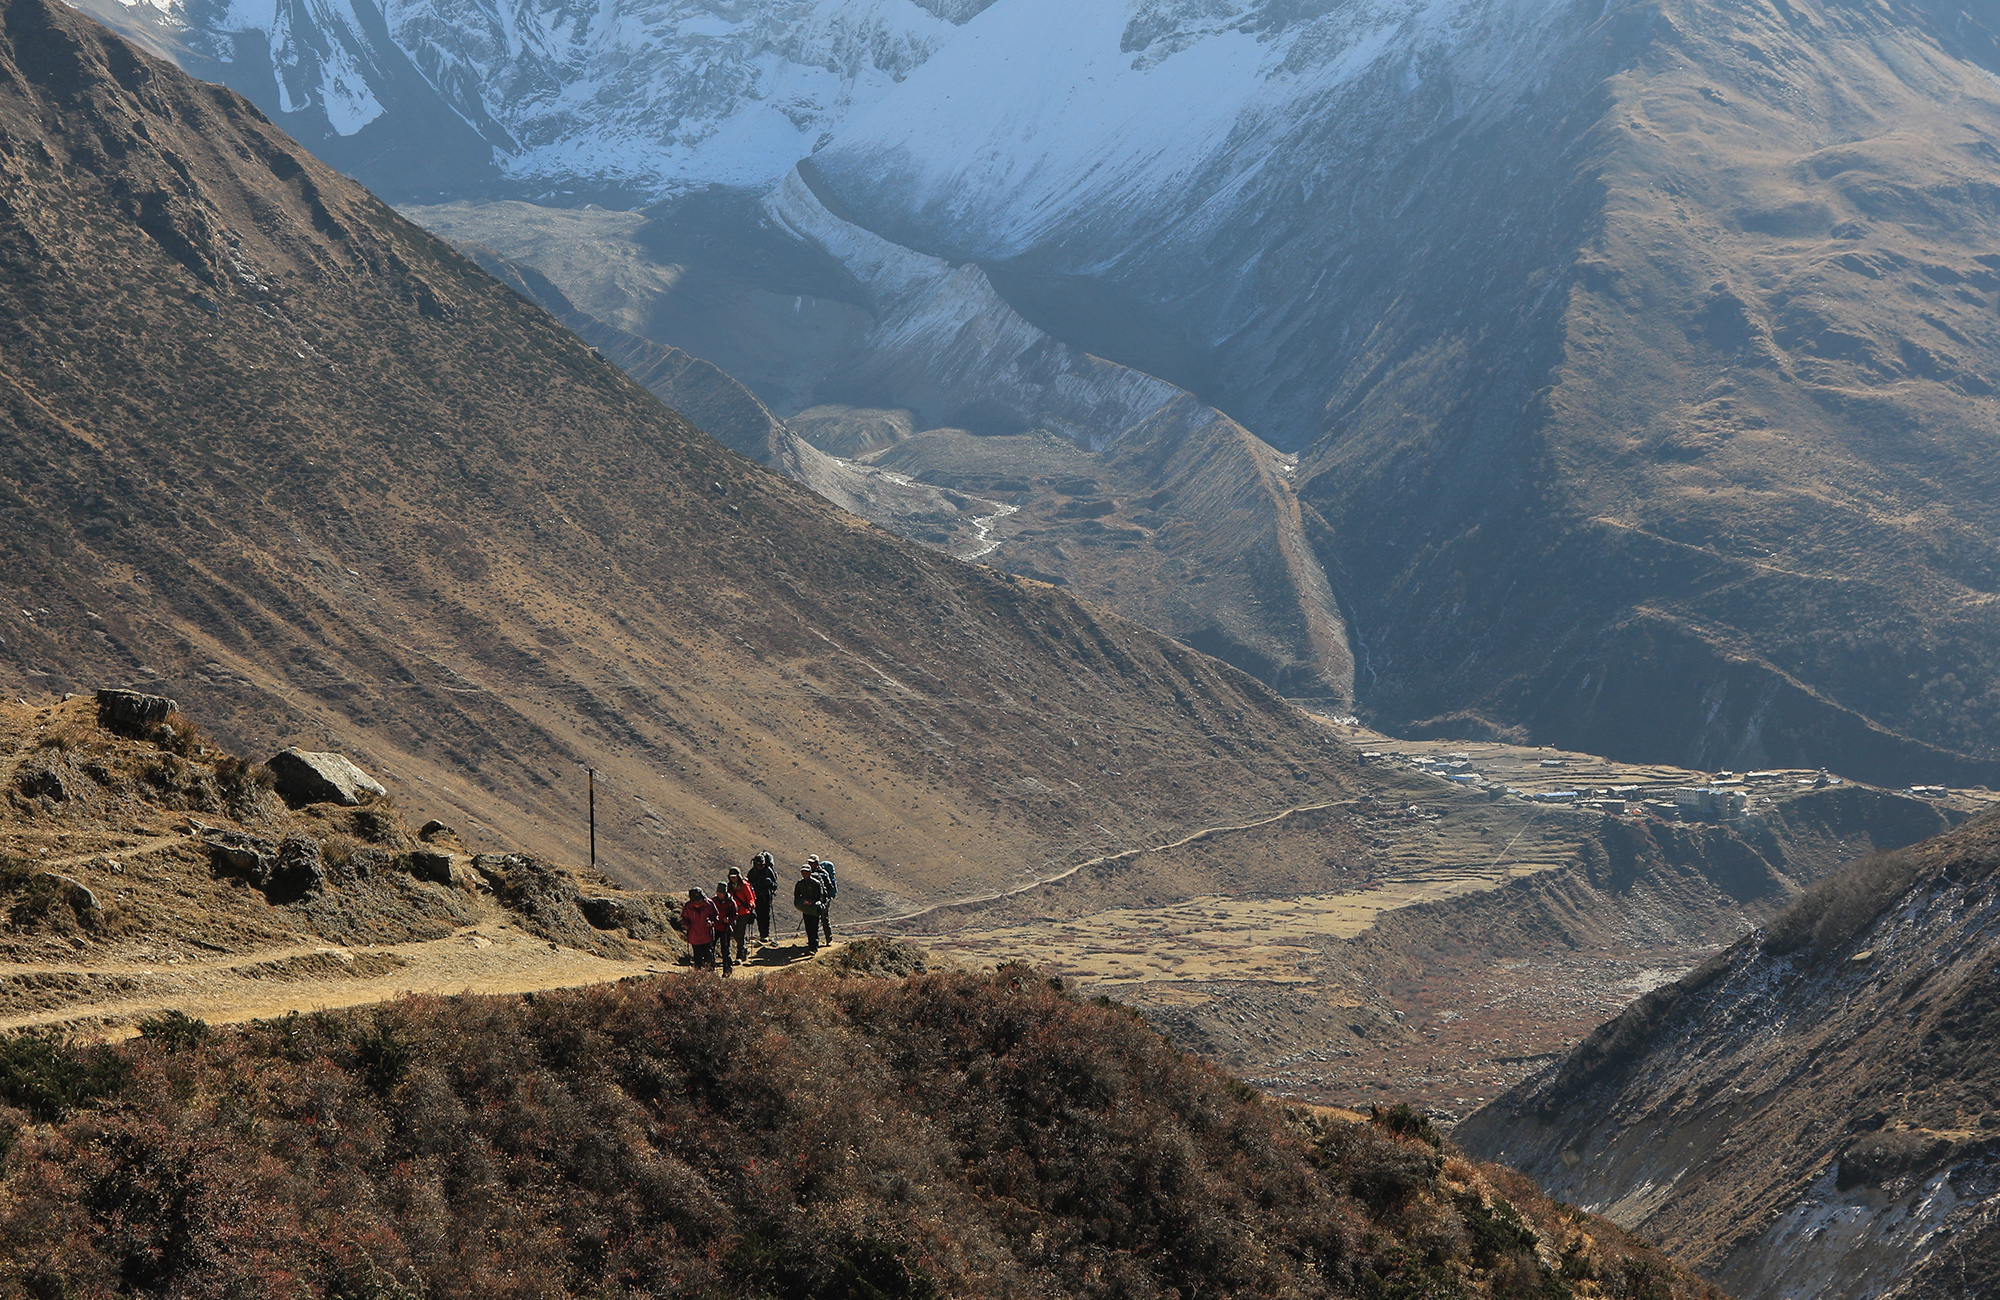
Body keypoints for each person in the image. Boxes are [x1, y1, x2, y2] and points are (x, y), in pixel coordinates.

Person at [680, 887, 719, 972]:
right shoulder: (688, 906)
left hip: (707, 936)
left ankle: (711, 976)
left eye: (700, 901)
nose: (698, 903)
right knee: (697, 959)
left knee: (709, 958)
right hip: (695, 937)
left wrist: (711, 923)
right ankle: (699, 977)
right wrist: (685, 924)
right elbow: (684, 918)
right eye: (696, 901)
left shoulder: (709, 904)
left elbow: (716, 916)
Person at [793, 862, 826, 953]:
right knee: (808, 927)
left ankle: (814, 947)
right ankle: (811, 945)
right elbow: (797, 896)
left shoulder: (816, 883)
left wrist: (811, 903)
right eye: (803, 872)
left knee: (814, 927)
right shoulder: (800, 884)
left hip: (814, 909)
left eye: (806, 872)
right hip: (806, 910)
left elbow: (819, 897)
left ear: (810, 872)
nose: (804, 874)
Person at [725, 867, 756, 962]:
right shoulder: (729, 886)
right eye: (731, 877)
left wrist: (751, 904)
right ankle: (743, 949)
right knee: (735, 933)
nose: (733, 878)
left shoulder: (744, 886)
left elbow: (751, 898)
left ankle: (739, 955)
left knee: (740, 933)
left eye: (734, 876)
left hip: (744, 912)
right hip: (734, 913)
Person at [747, 852, 778, 942]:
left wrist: (770, 884)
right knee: (759, 915)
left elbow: (775, 886)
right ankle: (762, 935)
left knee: (765, 915)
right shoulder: (753, 872)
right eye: (759, 865)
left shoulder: (768, 871)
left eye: (762, 865)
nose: (760, 866)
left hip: (766, 896)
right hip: (756, 897)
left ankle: (765, 934)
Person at [711, 880, 738, 975]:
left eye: (721, 893)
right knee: (711, 948)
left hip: (725, 928)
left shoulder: (731, 902)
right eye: (718, 893)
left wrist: (729, 920)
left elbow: (735, 915)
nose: (719, 895)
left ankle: (727, 970)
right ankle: (711, 969)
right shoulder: (713, 901)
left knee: (725, 949)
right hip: (714, 928)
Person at [809, 855, 836, 947]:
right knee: (816, 920)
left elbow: (829, 886)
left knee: (824, 918)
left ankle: (828, 938)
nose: (810, 864)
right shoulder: (811, 872)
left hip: (824, 900)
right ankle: (815, 940)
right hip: (815, 900)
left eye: (811, 863)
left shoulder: (822, 873)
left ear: (816, 863)